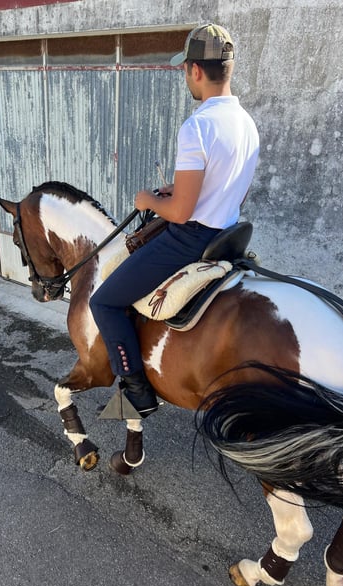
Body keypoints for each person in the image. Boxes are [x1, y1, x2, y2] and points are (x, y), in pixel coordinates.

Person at [90, 23, 259, 418]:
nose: (186, 76)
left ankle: (138, 393)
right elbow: (233, 191)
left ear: (195, 70)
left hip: (190, 239)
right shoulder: (246, 124)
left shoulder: (197, 126)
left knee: (104, 302)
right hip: (228, 235)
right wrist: (180, 189)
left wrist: (148, 199)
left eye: (185, 69)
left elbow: (180, 213)